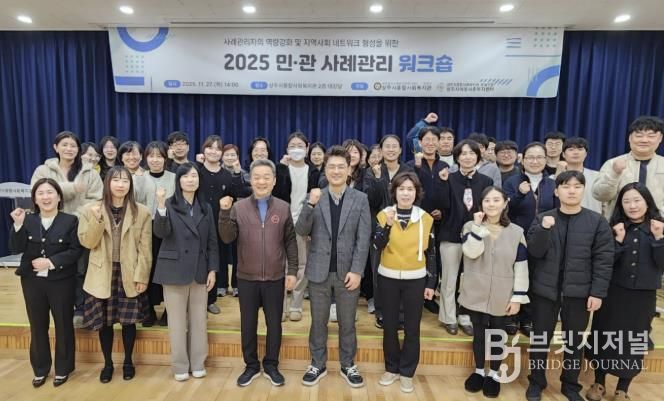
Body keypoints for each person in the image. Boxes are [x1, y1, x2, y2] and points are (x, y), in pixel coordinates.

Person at [525, 171, 614, 401]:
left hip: (580, 293)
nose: (571, 190)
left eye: (577, 186)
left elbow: (603, 260)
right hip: (545, 291)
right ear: (557, 191)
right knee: (539, 340)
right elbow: (534, 252)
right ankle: (536, 382)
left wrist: (597, 292)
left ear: (584, 190)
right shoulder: (543, 218)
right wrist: (544, 229)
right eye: (566, 186)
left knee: (574, 342)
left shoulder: (597, 222)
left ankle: (570, 385)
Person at [296, 146, 371, 388]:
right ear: (325, 170)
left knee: (347, 323)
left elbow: (363, 239)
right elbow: (301, 230)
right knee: (318, 322)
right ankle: (317, 363)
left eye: (341, 167)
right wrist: (310, 204)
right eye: (331, 167)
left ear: (349, 170)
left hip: (348, 273)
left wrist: (357, 270)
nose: (336, 171)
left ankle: (348, 364)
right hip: (319, 271)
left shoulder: (360, 199)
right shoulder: (315, 196)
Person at [218, 159, 298, 387]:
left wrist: (292, 271)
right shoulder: (238, 207)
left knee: (274, 324)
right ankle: (251, 365)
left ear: (274, 181)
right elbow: (227, 237)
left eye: (266, 177)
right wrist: (224, 213)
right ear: (250, 180)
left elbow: (290, 241)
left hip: (275, 277)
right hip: (246, 277)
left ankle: (271, 364)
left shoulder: (283, 207)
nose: (261, 181)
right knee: (248, 324)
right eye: (257, 177)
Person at [586, 183, 664, 401]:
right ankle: (599, 383)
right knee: (604, 335)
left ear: (647, 202)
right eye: (627, 201)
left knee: (634, 341)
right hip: (613, 294)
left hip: (642, 296)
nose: (632, 206)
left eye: (637, 200)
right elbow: (604, 263)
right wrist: (618, 241)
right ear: (620, 205)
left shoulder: (659, 227)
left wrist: (659, 239)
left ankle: (623, 388)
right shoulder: (614, 228)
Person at [77, 166, 152, 383]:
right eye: (116, 180)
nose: (121, 185)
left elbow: (145, 249)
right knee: (105, 323)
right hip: (102, 273)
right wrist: (97, 219)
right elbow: (88, 242)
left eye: (125, 181)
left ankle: (128, 361)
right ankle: (108, 363)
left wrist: (142, 276)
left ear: (130, 185)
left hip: (129, 272)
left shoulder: (142, 212)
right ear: (107, 183)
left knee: (129, 322)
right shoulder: (90, 209)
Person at [9, 178, 82, 388]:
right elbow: (15, 248)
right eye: (40, 193)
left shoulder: (71, 220)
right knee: (37, 325)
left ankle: (63, 368)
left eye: (50, 192)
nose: (46, 197)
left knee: (63, 324)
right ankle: (40, 369)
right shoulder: (27, 219)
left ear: (59, 197)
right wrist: (18, 225)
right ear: (34, 199)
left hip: (61, 280)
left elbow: (75, 251)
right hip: (32, 281)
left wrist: (51, 262)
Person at [459, 187, 529, 398]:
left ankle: (495, 374)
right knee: (479, 333)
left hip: (503, 292)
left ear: (505, 203)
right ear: (481, 204)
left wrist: (517, 297)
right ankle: (480, 371)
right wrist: (478, 227)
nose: (491, 204)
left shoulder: (517, 232)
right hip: (476, 290)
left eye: (496, 200)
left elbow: (521, 267)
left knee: (498, 334)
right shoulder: (470, 226)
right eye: (487, 200)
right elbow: (471, 252)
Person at [153, 162, 219, 381]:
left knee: (199, 321)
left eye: (194, 176)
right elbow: (160, 232)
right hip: (174, 271)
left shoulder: (206, 207)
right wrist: (160, 206)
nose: (191, 180)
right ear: (178, 180)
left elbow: (212, 241)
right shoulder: (168, 204)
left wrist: (213, 269)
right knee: (177, 323)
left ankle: (198, 362)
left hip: (200, 270)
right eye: (186, 176)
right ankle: (180, 365)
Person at [372, 172, 436, 394]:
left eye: (410, 189)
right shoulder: (383, 215)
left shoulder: (426, 218)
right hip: (388, 278)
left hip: (415, 279)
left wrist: (431, 283)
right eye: (401, 189)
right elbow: (377, 245)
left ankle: (407, 372)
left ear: (416, 193)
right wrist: (388, 225)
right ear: (394, 192)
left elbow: (431, 253)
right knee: (389, 326)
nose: (406, 193)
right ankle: (391, 369)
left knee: (412, 328)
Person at [31, 131, 103, 327]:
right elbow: (38, 192)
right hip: (50, 228)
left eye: (73, 145)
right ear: (56, 147)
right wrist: (72, 188)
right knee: (54, 268)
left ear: (78, 149)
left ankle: (80, 308)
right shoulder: (43, 170)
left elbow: (97, 200)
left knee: (80, 269)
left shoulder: (90, 173)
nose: (69, 149)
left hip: (81, 227)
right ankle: (58, 307)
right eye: (64, 145)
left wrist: (72, 218)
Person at [435, 139, 494, 336]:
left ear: (478, 157)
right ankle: (449, 317)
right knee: (449, 279)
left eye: (471, 153)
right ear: (457, 157)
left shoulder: (486, 181)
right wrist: (442, 183)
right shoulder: (448, 178)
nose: (467, 157)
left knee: (470, 279)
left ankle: (466, 316)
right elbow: (441, 205)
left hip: (475, 236)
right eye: (463, 153)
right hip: (450, 234)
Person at [503, 142, 558, 336]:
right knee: (513, 277)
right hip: (516, 238)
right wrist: (519, 194)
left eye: (539, 157)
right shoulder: (511, 181)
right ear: (522, 160)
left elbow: (557, 212)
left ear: (546, 160)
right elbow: (504, 209)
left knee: (534, 279)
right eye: (530, 157)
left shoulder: (552, 184)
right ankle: (510, 317)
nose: (535, 161)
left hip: (542, 239)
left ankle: (527, 319)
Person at [363, 134, 414, 328]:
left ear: (400, 150)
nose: (391, 149)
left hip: (404, 228)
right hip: (379, 228)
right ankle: (382, 311)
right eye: (387, 146)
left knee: (401, 270)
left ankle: (401, 313)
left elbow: (415, 197)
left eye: (394, 146)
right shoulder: (372, 171)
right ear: (381, 150)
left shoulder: (408, 171)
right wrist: (378, 179)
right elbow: (371, 200)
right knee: (379, 271)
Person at [196, 135, 250, 312]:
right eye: (210, 147)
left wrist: (237, 173)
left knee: (215, 260)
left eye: (217, 148)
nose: (213, 151)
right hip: (197, 223)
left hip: (219, 224)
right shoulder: (196, 171)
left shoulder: (227, 175)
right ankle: (195, 300)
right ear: (203, 150)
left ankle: (210, 300)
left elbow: (239, 192)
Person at [274, 132, 321, 322]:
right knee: (280, 265)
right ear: (287, 149)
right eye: (292, 146)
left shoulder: (314, 172)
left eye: (300, 146)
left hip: (303, 223)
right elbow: (275, 195)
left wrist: (312, 228)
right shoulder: (280, 169)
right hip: (281, 222)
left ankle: (296, 305)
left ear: (307, 148)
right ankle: (281, 306)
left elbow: (317, 202)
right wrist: (281, 168)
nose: (296, 149)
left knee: (302, 265)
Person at [408, 127, 449, 314]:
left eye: (434, 140)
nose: (431, 143)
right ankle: (415, 294)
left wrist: (442, 211)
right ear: (420, 142)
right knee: (418, 256)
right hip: (417, 219)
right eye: (427, 140)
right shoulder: (412, 164)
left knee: (435, 258)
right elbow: (412, 189)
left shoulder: (445, 166)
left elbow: (448, 193)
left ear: (439, 143)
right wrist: (417, 167)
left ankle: (429, 295)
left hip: (439, 220)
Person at [593, 116, 664, 219]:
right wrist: (614, 174)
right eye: (639, 135)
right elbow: (600, 196)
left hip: (658, 225)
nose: (644, 140)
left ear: (660, 138)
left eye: (651, 136)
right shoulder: (613, 163)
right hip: (619, 226)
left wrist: (661, 221)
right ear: (630, 138)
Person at [140, 141, 177, 327]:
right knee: (148, 267)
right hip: (145, 228)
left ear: (165, 158)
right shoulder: (139, 178)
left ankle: (170, 310)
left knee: (168, 269)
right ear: (146, 158)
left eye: (159, 156)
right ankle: (148, 310)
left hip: (169, 229)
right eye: (151, 156)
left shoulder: (174, 178)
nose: (155, 160)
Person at [219, 143, 250, 297]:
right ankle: (221, 285)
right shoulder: (218, 172)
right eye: (227, 154)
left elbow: (244, 192)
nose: (230, 157)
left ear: (238, 157)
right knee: (221, 252)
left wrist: (237, 173)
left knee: (238, 252)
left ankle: (237, 284)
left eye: (233, 155)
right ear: (222, 156)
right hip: (222, 216)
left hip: (239, 217)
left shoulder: (244, 173)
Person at [555, 137, 603, 214]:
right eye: (571, 149)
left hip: (594, 219)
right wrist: (557, 175)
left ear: (586, 154)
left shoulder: (598, 176)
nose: (576, 152)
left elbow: (605, 203)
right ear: (563, 154)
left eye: (580, 149)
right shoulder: (553, 178)